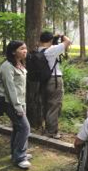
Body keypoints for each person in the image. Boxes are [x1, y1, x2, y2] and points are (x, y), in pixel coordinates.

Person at [0, 41, 32, 169]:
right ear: (13, 51)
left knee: (18, 128)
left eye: (25, 48)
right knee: (25, 128)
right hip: (10, 102)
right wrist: (17, 107)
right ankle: (19, 157)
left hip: (19, 101)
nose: (25, 51)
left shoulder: (19, 64)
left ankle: (17, 152)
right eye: (22, 49)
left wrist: (21, 104)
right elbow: (10, 89)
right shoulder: (7, 66)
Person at [38, 31, 71, 139]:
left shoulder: (39, 50)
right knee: (55, 105)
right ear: (51, 40)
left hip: (43, 81)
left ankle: (47, 128)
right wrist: (61, 35)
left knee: (47, 105)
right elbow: (68, 42)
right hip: (54, 80)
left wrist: (54, 39)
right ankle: (52, 132)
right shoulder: (51, 50)